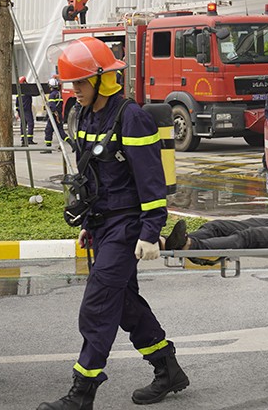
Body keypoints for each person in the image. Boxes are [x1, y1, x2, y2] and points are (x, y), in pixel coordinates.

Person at [38, 37, 189, 409]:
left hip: (127, 228)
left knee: (98, 305)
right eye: (73, 84)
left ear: (104, 79)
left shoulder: (130, 117)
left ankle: (82, 393)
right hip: (103, 224)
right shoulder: (87, 113)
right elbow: (90, 175)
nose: (75, 90)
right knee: (124, 304)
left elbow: (150, 180)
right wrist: (89, 221)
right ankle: (167, 368)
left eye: (81, 83)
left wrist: (151, 231)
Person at [41, 76, 68, 153]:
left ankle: (48, 148)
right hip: (58, 115)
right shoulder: (59, 94)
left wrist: (50, 110)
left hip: (54, 116)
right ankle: (72, 143)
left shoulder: (52, 95)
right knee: (61, 131)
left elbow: (52, 106)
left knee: (48, 130)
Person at [17, 76, 35, 145]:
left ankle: (23, 139)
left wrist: (18, 111)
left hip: (21, 110)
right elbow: (33, 93)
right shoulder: (26, 90)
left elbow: (17, 103)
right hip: (27, 110)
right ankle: (29, 139)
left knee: (23, 124)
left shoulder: (19, 91)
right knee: (30, 123)